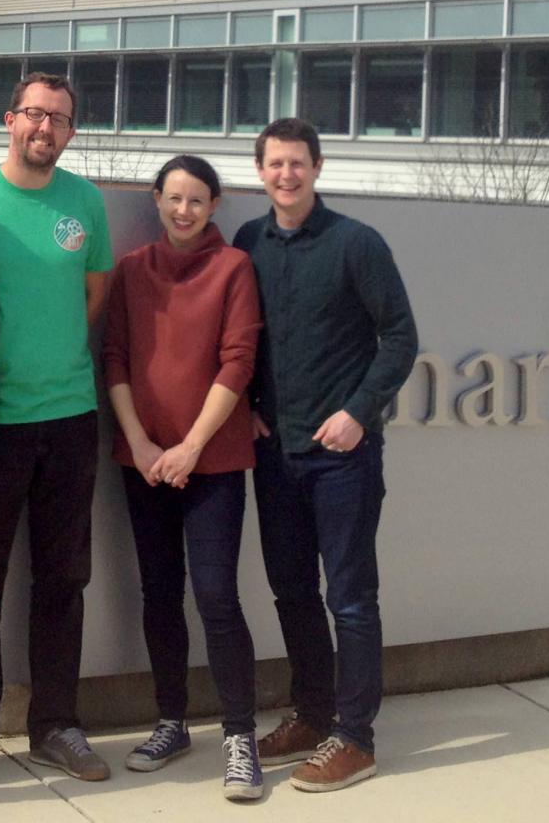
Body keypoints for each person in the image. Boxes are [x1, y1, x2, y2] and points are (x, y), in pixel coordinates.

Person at [0, 71, 114, 790]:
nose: (45, 129)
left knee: (63, 580)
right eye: (34, 115)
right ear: (9, 120)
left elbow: (93, 292)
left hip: (71, 418)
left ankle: (55, 725)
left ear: (70, 133)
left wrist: (52, 352)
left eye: (60, 119)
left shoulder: (86, 203)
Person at [233, 118, 417, 795]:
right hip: (275, 456)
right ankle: (311, 716)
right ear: (260, 172)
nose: (287, 174)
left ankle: (356, 737)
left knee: (351, 599)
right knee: (291, 592)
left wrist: (358, 412)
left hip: (342, 457)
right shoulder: (248, 241)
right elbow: (243, 336)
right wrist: (250, 401)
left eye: (298, 163)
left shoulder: (356, 243)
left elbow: (400, 337)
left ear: (317, 167)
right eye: (275, 164)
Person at [103, 154, 265, 802]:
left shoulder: (234, 269)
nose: (183, 210)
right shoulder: (131, 270)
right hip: (142, 463)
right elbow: (113, 357)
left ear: (214, 205)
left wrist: (192, 445)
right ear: (156, 199)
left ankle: (240, 737)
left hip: (214, 462)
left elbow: (238, 362)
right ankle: (171, 721)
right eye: (174, 198)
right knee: (159, 593)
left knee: (218, 597)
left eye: (197, 200)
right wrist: (141, 443)